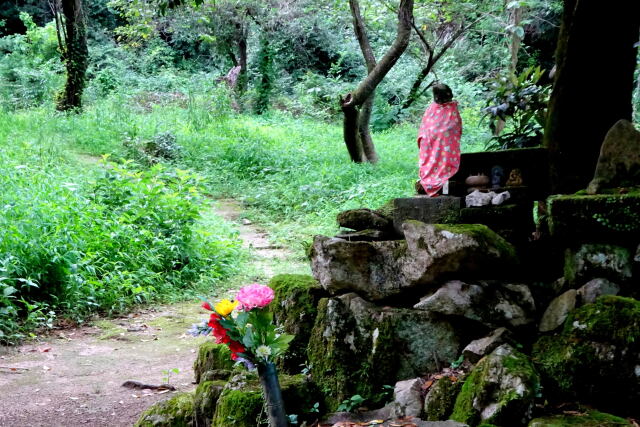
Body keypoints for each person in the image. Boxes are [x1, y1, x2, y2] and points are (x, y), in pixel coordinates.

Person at [416, 83, 462, 196]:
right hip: (430, 143)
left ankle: (443, 184)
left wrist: (441, 133)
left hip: (446, 143)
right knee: (432, 156)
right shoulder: (432, 108)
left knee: (445, 158)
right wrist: (434, 134)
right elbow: (426, 127)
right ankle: (435, 182)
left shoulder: (451, 108)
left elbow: (454, 126)